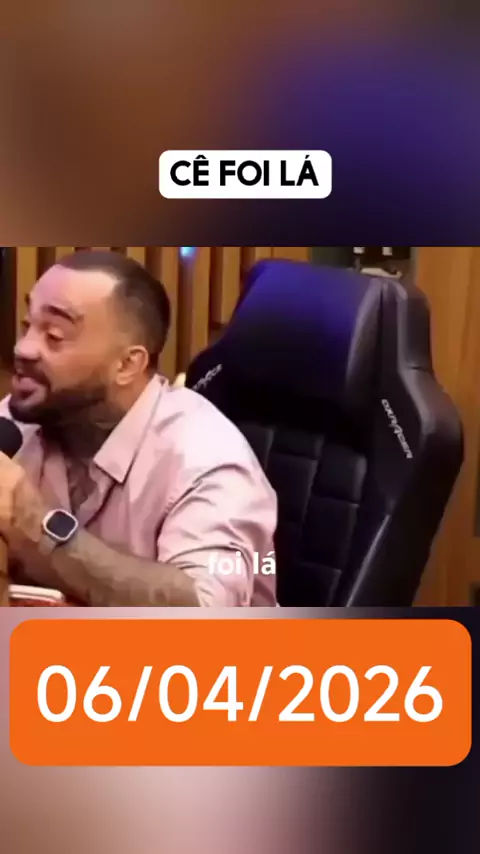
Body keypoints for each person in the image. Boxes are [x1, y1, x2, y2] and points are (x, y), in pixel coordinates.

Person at [0, 250, 277, 606]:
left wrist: (38, 526)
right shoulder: (22, 421)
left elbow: (206, 612)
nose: (23, 348)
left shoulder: (208, 461)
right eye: (27, 326)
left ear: (127, 365)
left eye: (54, 335)